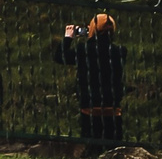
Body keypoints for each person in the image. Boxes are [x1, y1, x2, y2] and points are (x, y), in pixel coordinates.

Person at [53, 13, 127, 143]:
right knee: (113, 144)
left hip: (90, 106)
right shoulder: (120, 51)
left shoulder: (84, 50)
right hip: (112, 107)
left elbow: (60, 57)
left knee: (91, 144)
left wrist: (68, 38)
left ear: (93, 28)